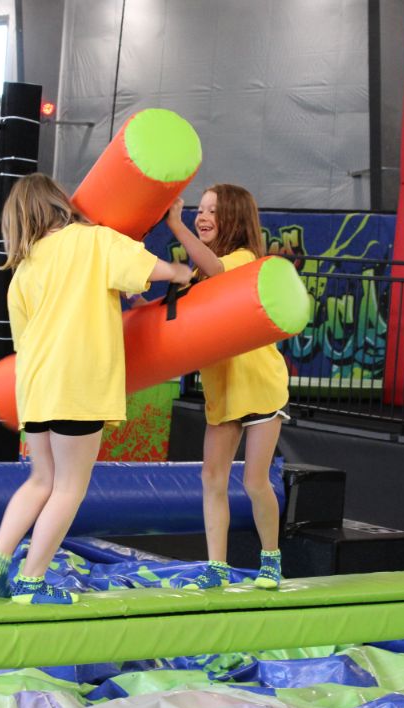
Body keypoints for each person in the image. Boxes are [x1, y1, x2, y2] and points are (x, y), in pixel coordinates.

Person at [0, 174, 193, 604]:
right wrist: (181, 272)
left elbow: (24, 339)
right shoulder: (92, 240)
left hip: (36, 385)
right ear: (60, 203)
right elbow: (152, 269)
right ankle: (32, 582)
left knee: (41, 479)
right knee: (70, 487)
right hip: (78, 382)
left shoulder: (26, 268)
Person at [165, 184, 288, 590]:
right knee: (212, 478)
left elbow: (217, 270)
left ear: (232, 219)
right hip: (223, 391)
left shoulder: (244, 259)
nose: (202, 217)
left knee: (255, 481)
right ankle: (216, 565)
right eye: (199, 210)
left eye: (211, 211)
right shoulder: (201, 273)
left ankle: (270, 559)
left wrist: (176, 227)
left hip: (259, 386)